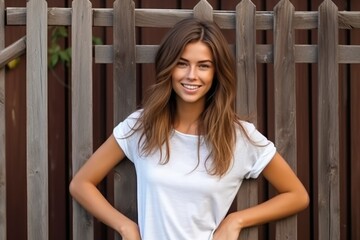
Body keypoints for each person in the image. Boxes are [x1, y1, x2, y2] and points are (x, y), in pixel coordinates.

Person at [69, 18, 309, 240]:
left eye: (203, 66)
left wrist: (236, 220)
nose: (192, 75)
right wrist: (126, 226)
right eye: (182, 64)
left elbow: (297, 195)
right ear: (169, 67)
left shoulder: (239, 137)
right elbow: (81, 184)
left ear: (216, 73)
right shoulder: (141, 126)